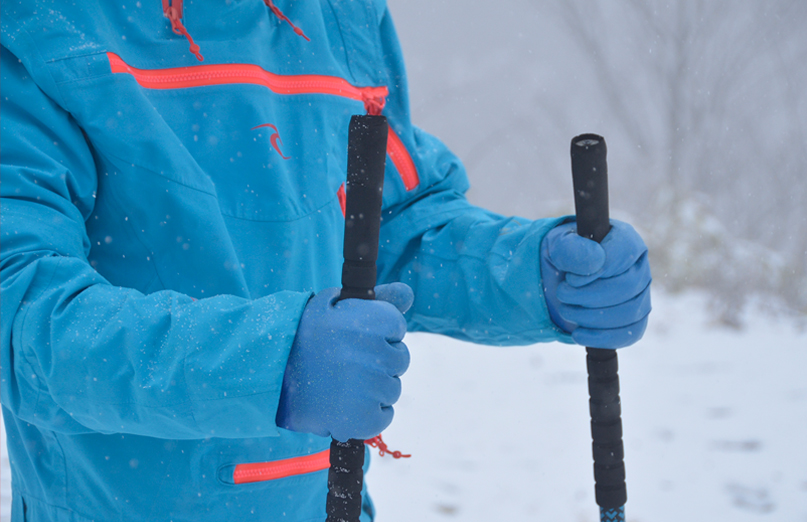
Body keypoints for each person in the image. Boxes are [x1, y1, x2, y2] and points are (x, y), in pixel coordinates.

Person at [0, 1, 651, 520]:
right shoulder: (44, 27)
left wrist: (532, 275)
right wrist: (269, 360)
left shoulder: (337, 15)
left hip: (330, 506)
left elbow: (387, 228)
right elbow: (24, 316)